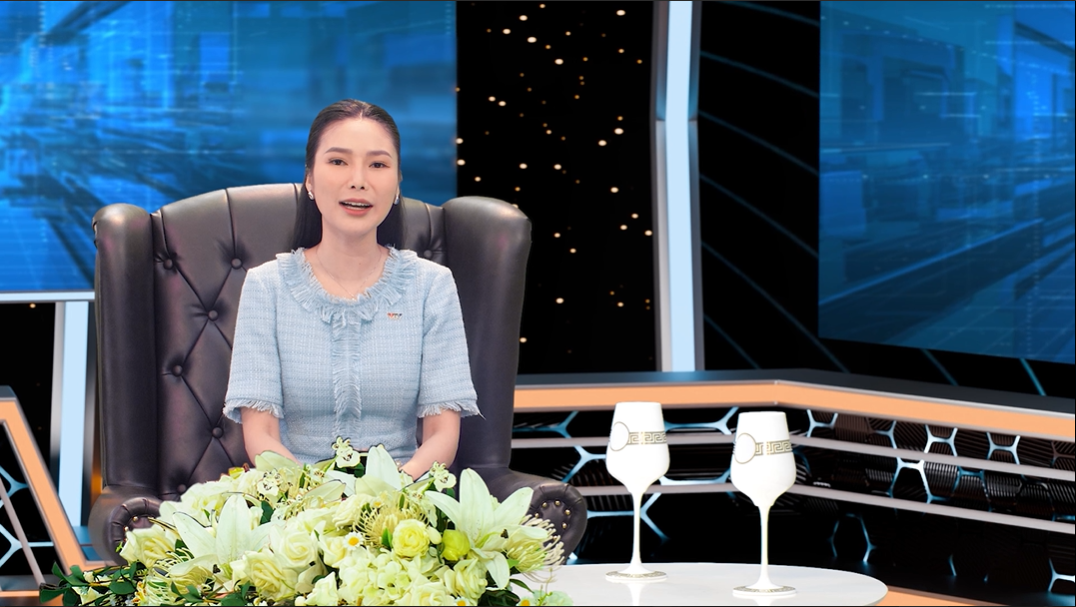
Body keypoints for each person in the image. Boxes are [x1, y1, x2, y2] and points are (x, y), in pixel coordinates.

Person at [223, 99, 479, 480]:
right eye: (338, 161)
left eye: (377, 165)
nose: (358, 180)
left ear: (397, 183)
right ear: (310, 179)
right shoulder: (267, 287)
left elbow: (442, 435)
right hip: (295, 499)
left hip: (405, 498)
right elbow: (261, 437)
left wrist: (389, 496)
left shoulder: (431, 286)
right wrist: (317, 499)